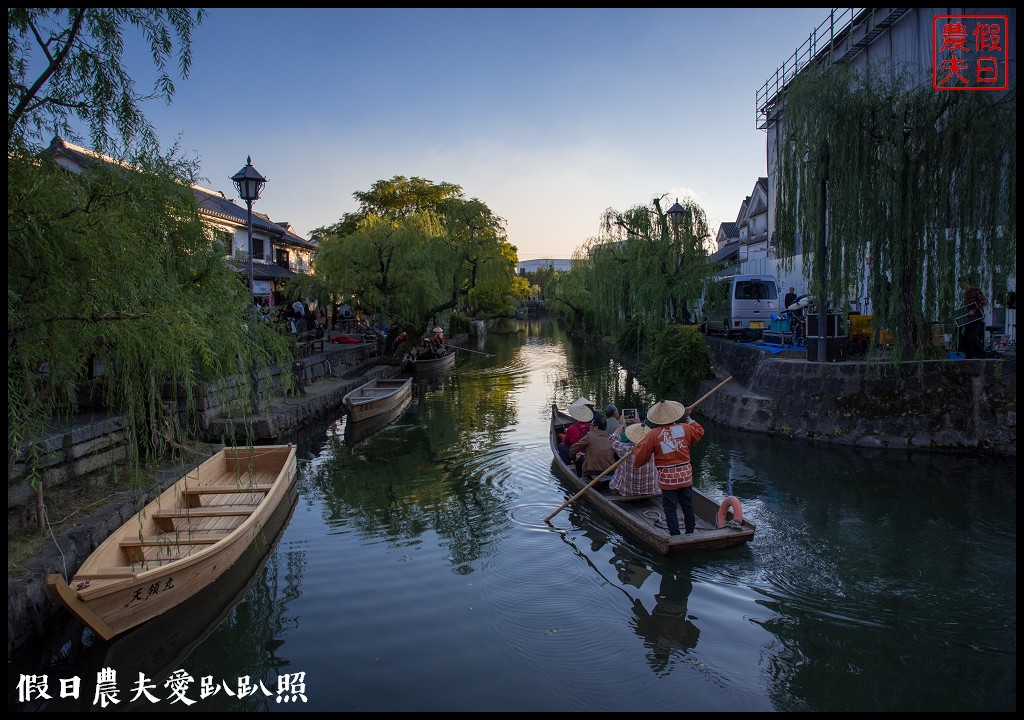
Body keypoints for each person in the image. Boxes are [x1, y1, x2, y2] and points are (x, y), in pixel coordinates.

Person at [632, 400, 705, 535]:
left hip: (668, 479)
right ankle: (690, 532)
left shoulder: (654, 434)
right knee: (687, 506)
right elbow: (699, 431)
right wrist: (688, 417)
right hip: (685, 476)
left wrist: (635, 450)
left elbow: (642, 454)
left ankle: (675, 536)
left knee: (670, 508)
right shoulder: (685, 428)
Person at [608, 422, 660, 497]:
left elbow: (612, 439)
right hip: (651, 489)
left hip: (628, 491)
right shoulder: (655, 448)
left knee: (620, 466)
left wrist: (620, 426)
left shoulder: (624, 448)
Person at [570, 414, 616, 480]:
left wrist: (573, 457)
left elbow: (573, 449)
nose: (589, 426)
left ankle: (580, 478)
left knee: (579, 458)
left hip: (592, 474)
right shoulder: (610, 437)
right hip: (610, 474)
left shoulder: (590, 436)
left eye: (591, 425)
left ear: (596, 428)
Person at [958, 276, 987, 359]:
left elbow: (984, 301)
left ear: (966, 282)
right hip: (969, 320)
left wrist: (974, 310)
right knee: (965, 339)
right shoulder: (965, 294)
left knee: (971, 339)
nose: (960, 286)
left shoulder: (976, 290)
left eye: (960, 283)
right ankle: (969, 357)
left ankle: (982, 354)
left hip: (977, 319)